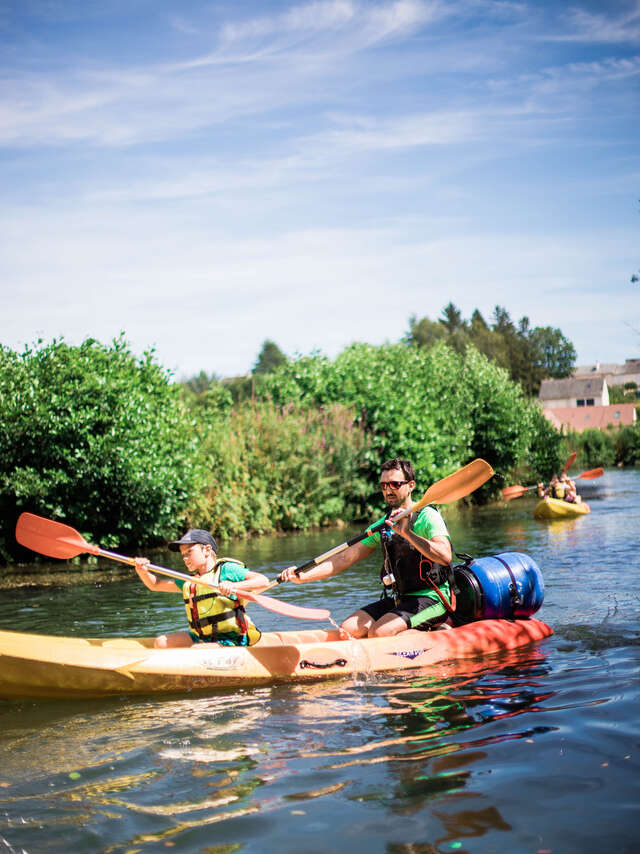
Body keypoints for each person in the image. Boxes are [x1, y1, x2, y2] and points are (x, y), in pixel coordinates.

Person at [279, 458, 454, 638]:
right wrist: (302, 576)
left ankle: (436, 631)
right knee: (347, 630)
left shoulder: (428, 516)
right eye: (384, 485)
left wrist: (407, 533)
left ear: (410, 485)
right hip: (400, 599)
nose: (388, 490)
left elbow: (445, 556)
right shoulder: (383, 525)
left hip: (432, 598)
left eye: (394, 484)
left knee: (379, 632)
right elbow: (344, 558)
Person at [134, 529, 269, 649]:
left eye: (189, 552)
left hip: (232, 639)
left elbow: (262, 580)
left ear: (207, 550)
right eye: (183, 555)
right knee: (161, 642)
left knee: (197, 651)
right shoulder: (190, 581)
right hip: (201, 637)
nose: (185, 558)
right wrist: (142, 571)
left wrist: (233, 585)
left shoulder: (227, 570)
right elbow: (155, 584)